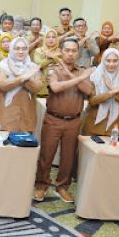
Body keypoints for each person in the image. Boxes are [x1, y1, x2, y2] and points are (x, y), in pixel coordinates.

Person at [34, 38, 93, 203]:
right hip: (54, 118)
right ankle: (41, 185)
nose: (70, 54)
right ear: (61, 51)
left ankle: (62, 187)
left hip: (74, 120)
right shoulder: (54, 69)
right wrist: (74, 77)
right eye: (67, 50)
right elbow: (55, 87)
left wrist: (78, 78)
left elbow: (88, 91)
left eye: (74, 51)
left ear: (78, 53)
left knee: (68, 157)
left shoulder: (82, 70)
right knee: (47, 154)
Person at [0, 37, 42, 132]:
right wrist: (23, 77)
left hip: (27, 114)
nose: (21, 52)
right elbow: (3, 85)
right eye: (17, 48)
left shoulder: (33, 67)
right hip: (5, 114)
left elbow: (37, 87)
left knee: (24, 144)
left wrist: (18, 75)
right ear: (11, 49)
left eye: (24, 48)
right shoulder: (2, 65)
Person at [82, 48, 119, 136]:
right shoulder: (94, 77)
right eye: (108, 61)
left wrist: (112, 88)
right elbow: (92, 101)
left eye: (115, 61)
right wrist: (112, 92)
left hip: (113, 127)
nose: (111, 64)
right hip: (92, 124)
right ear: (103, 61)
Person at [33, 29, 61, 97]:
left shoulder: (60, 51)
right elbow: (38, 64)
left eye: (53, 37)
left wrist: (52, 56)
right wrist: (52, 59)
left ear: (57, 39)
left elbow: (63, 64)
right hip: (42, 87)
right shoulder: (39, 50)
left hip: (58, 85)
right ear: (45, 39)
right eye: (48, 37)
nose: (51, 39)